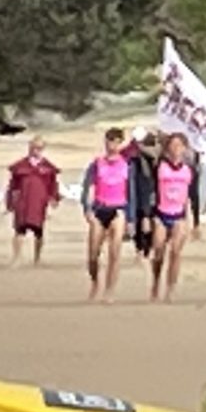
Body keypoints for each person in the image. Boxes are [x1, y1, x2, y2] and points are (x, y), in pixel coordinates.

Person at [79, 128, 134, 305]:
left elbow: (131, 193)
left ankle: (110, 290)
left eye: (116, 142)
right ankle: (95, 281)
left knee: (114, 253)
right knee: (93, 254)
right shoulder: (97, 164)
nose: (112, 145)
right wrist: (87, 209)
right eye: (109, 141)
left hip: (118, 209)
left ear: (120, 143)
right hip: (99, 209)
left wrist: (131, 219)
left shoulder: (126, 165)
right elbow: (86, 188)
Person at [147, 133, 198, 302]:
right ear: (168, 147)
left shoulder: (189, 169)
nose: (176, 149)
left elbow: (194, 195)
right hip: (161, 213)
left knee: (176, 252)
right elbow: (151, 190)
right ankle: (156, 282)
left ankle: (171, 289)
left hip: (179, 215)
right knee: (159, 252)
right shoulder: (159, 166)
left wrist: (195, 220)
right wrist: (148, 215)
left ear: (185, 148)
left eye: (180, 146)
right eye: (173, 145)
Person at [5, 136, 60, 266]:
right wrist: (9, 203)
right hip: (23, 203)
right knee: (19, 231)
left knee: (39, 232)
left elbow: (53, 184)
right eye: (34, 147)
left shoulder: (47, 167)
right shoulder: (20, 166)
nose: (36, 150)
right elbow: (12, 186)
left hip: (39, 204)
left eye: (39, 148)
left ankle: (37, 259)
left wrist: (54, 198)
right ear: (29, 148)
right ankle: (17, 257)